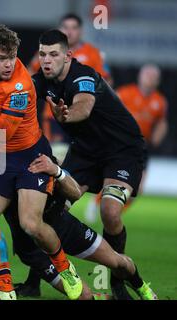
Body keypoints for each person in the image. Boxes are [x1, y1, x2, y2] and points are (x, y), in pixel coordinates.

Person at [0, 25, 82, 300]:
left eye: (12, 56)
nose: (9, 64)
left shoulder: (21, 84)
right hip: (1, 156)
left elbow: (5, 130)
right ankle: (4, 290)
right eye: (2, 58)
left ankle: (64, 267)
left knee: (30, 224)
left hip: (31, 155)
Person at [31, 29, 147, 300]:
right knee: (48, 208)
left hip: (122, 151)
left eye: (54, 54)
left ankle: (117, 280)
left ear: (68, 55)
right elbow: (16, 91)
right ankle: (34, 281)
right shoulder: (41, 79)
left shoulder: (83, 76)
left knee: (109, 211)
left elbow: (84, 105)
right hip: (85, 152)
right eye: (43, 54)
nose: (47, 60)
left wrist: (68, 115)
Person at [0, 154, 158, 300]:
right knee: (84, 297)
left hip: (67, 231)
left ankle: (141, 287)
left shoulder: (40, 160)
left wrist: (57, 171)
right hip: (33, 249)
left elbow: (74, 194)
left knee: (118, 262)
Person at [85, 64, 168, 222]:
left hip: (142, 147)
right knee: (114, 180)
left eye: (153, 77)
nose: (150, 79)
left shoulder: (160, 101)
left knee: (138, 189)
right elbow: (108, 112)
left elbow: (161, 122)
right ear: (140, 77)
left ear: (158, 81)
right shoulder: (125, 93)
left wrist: (160, 132)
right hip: (121, 144)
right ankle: (96, 203)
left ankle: (113, 214)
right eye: (148, 75)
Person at [28, 13, 112, 164]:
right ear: (60, 29)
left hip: (84, 118)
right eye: (66, 27)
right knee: (54, 158)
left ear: (81, 31)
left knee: (80, 161)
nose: (69, 32)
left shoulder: (93, 54)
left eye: (74, 28)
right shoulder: (46, 52)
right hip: (54, 116)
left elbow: (106, 82)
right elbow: (30, 75)